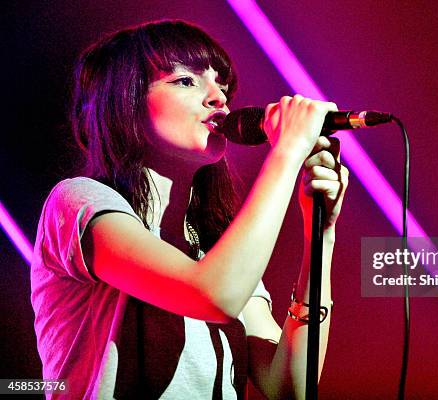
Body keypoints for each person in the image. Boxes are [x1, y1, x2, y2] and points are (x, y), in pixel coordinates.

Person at [30, 19, 348, 399]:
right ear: (125, 100)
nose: (219, 99)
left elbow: (289, 386)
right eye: (186, 80)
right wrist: (286, 152)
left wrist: (320, 237)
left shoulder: (217, 246)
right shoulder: (80, 201)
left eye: (222, 85)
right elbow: (213, 295)